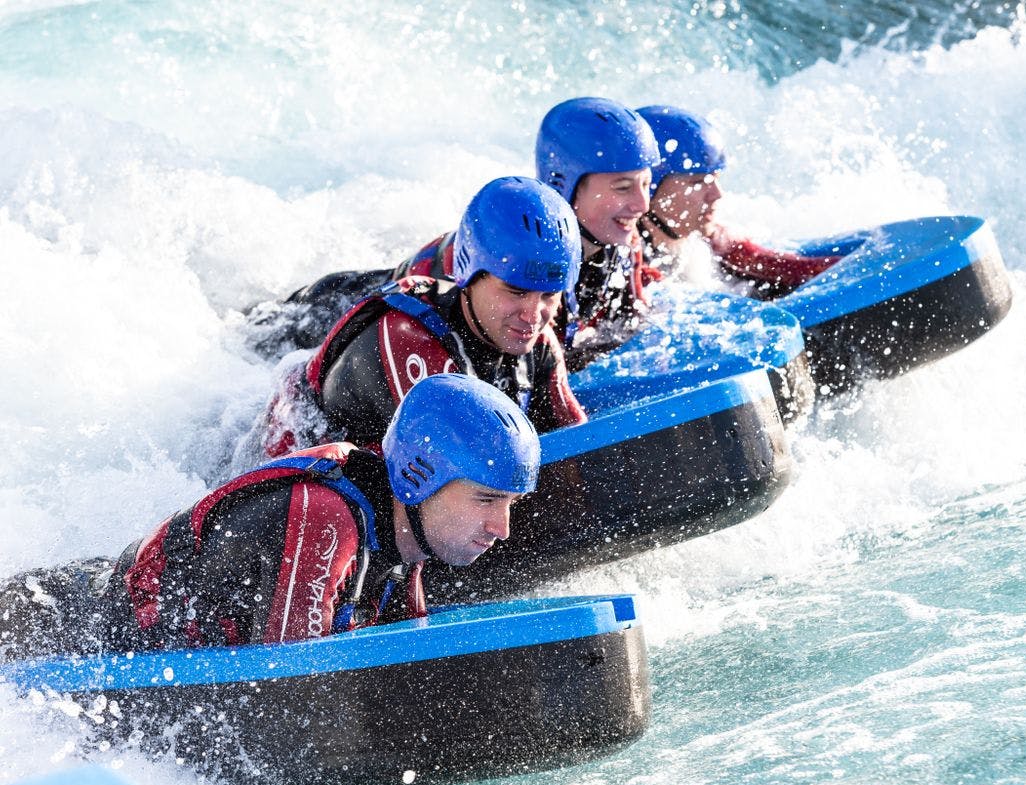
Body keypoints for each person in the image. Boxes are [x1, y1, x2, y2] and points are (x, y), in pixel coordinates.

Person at [0, 374, 540, 661]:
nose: (502, 528)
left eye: (510, 505)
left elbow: (408, 660)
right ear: (421, 478)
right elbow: (290, 694)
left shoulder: (406, 538)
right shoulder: (324, 518)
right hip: (47, 622)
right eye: (487, 500)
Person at [262, 176, 586, 457]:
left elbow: (577, 447)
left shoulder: (536, 343)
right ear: (469, 276)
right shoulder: (411, 341)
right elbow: (457, 492)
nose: (533, 315)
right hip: (288, 436)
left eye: (548, 295)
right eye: (515, 292)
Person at [634, 105, 840, 296]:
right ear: (647, 187)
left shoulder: (714, 241)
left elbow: (799, 270)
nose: (717, 194)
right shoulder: (625, 266)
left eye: (716, 179)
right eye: (697, 182)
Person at [532, 97, 661, 366]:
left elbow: (633, 323)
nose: (643, 205)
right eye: (623, 187)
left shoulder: (625, 243)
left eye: (646, 184)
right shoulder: (532, 265)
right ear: (564, 187)